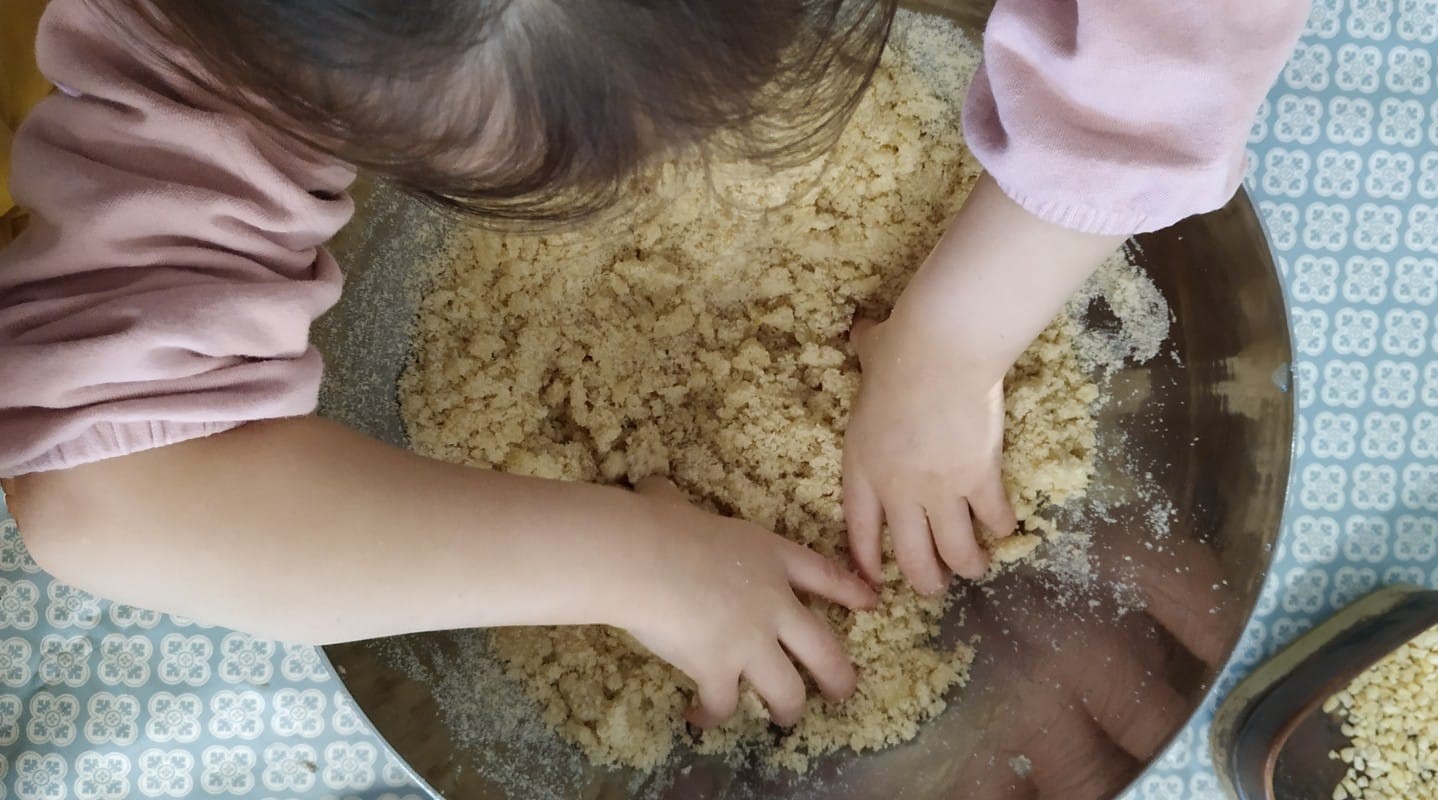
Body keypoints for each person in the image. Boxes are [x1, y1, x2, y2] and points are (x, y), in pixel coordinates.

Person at [0, 0, 1306, 729]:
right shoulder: (216, 37)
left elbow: (1168, 45)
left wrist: (953, 344)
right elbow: (113, 496)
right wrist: (630, 560)